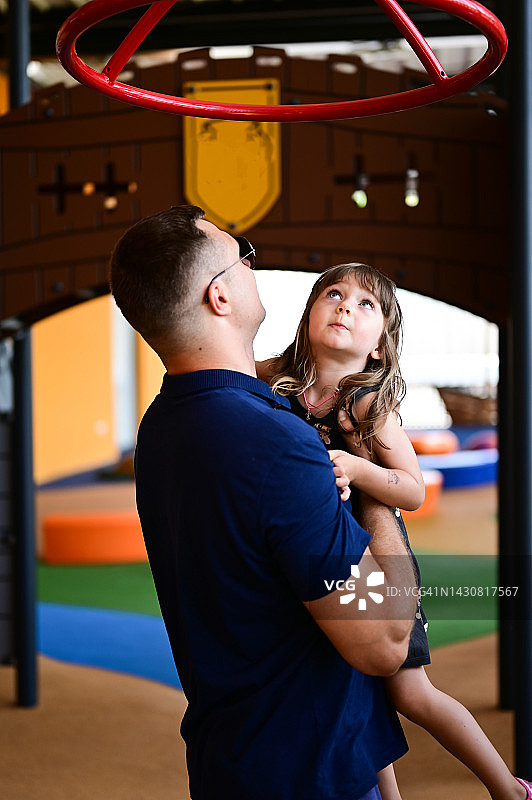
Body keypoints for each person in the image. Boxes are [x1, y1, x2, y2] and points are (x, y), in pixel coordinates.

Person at [109, 204, 419, 800]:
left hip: (230, 756)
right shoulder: (277, 444)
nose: (254, 266)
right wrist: (377, 495)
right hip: (311, 770)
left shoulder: (163, 424)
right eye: (242, 256)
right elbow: (384, 641)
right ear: (219, 295)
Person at [257, 262, 532, 800]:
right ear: (309, 313)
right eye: (333, 294)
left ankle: (508, 788)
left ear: (379, 346)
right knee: (354, 688)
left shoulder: (365, 405)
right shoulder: (276, 380)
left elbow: (412, 487)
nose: (345, 307)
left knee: (409, 692)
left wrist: (359, 470)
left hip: (378, 561)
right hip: (323, 554)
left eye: (366, 305)